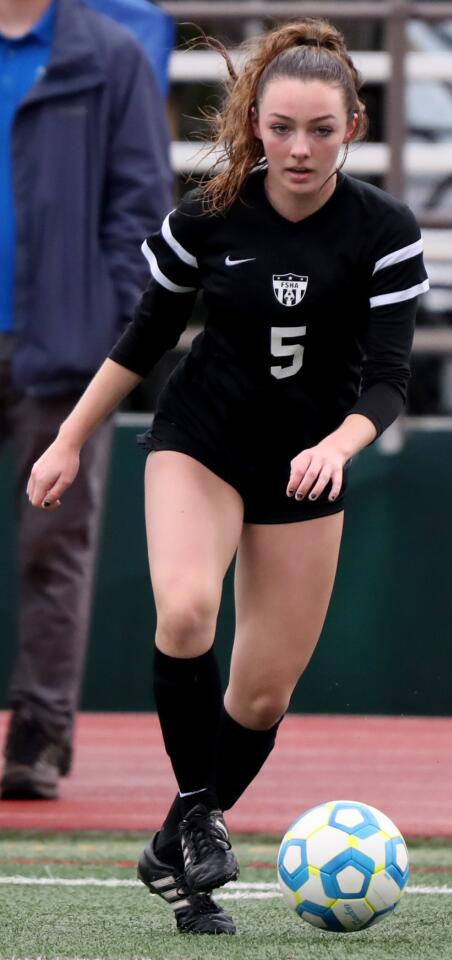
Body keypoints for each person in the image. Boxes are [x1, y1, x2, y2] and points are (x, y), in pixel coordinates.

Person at [25, 18, 428, 935]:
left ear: (353, 127)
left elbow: (389, 378)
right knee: (184, 611)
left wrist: (340, 445)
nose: (298, 147)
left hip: (308, 469)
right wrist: (69, 439)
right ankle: (200, 821)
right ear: (255, 124)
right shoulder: (205, 214)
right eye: (280, 126)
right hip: (200, 443)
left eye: (320, 129)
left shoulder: (384, 231)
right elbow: (145, 339)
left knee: (260, 695)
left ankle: (182, 836)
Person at [0, 0, 171, 800]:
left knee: (53, 547)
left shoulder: (109, 54)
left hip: (64, 347)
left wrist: (107, 322)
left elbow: (141, 202)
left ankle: (36, 739)